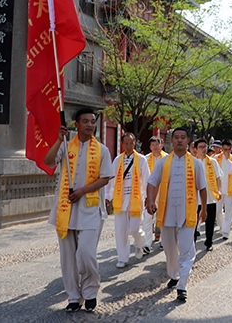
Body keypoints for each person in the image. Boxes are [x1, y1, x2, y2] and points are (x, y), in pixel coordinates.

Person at [44, 108, 114, 313]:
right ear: (77, 124)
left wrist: (83, 190)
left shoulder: (102, 149)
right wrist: (58, 139)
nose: (90, 125)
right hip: (66, 209)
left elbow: (105, 177)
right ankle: (74, 296)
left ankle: (90, 291)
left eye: (93, 121)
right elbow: (49, 161)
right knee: (67, 257)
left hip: (91, 209)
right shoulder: (66, 146)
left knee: (86, 253)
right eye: (86, 121)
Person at [145, 128, 207, 302]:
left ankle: (182, 286)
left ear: (188, 140)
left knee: (187, 251)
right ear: (171, 141)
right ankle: (174, 274)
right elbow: (152, 182)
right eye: (176, 138)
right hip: (167, 213)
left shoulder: (195, 164)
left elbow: (202, 187)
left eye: (183, 138)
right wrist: (150, 200)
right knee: (170, 249)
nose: (179, 141)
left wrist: (204, 209)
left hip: (188, 214)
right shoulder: (163, 163)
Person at [105, 132, 150, 268]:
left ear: (134, 143)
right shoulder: (117, 160)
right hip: (120, 199)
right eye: (126, 143)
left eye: (131, 143)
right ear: (122, 144)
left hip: (136, 198)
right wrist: (107, 196)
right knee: (121, 230)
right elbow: (111, 180)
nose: (129, 146)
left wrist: (148, 197)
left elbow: (147, 180)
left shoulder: (141, 160)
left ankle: (139, 244)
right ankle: (122, 258)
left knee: (134, 228)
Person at [193, 138, 221, 251]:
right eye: (201, 147)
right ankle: (192, 243)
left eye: (205, 147)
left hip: (210, 196)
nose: (204, 149)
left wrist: (219, 190)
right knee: (194, 222)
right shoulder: (192, 161)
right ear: (195, 149)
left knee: (210, 221)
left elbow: (218, 177)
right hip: (195, 197)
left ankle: (209, 242)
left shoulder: (213, 161)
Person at [143, 136, 167, 251]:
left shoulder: (167, 158)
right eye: (152, 145)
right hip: (150, 193)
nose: (155, 147)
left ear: (161, 145)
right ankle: (147, 243)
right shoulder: (145, 159)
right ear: (150, 147)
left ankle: (163, 240)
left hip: (164, 192)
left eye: (157, 144)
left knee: (163, 217)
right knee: (147, 217)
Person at [216, 139, 232, 239]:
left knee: (229, 210)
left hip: (230, 189)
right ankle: (221, 225)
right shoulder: (215, 158)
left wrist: (227, 159)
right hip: (218, 188)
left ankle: (226, 231)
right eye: (225, 149)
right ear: (221, 148)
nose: (227, 152)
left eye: (229, 149)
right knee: (217, 210)